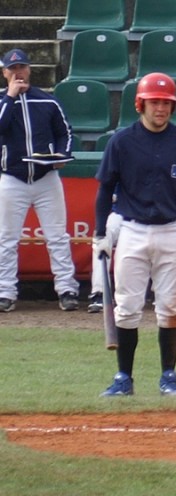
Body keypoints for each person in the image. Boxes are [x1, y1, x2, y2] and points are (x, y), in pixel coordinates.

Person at [92, 72, 176, 397]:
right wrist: (100, 233)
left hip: (173, 230)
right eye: (154, 102)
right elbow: (104, 189)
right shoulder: (121, 142)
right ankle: (123, 377)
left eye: (166, 103)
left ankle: (168, 376)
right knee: (127, 306)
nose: (160, 108)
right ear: (141, 104)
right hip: (131, 229)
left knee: (171, 307)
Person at [0, 47, 79, 313]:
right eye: (12, 69)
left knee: (57, 236)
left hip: (46, 176)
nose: (18, 73)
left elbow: (65, 132)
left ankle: (67, 289)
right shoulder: (2, 101)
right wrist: (10, 97)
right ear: (4, 73)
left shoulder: (47, 101)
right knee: (6, 239)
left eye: (21, 67)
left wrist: (62, 154)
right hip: (12, 177)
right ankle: (5, 292)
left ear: (29, 69)